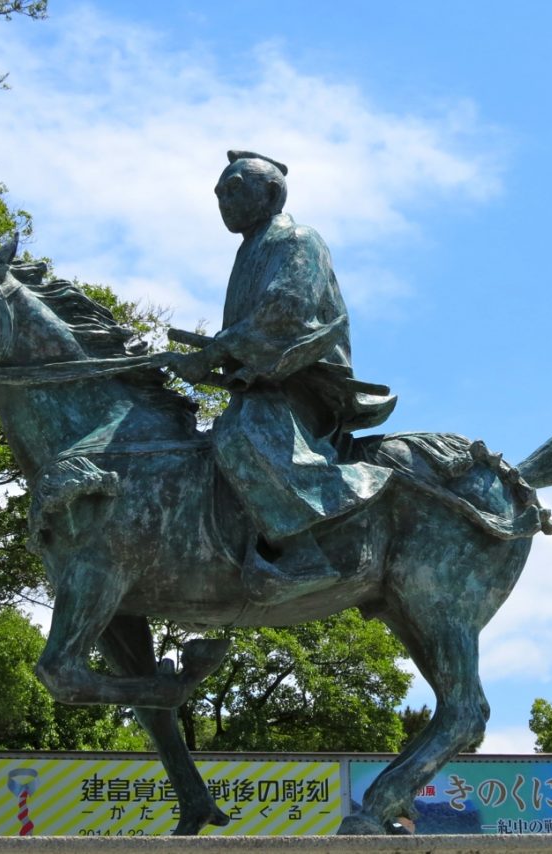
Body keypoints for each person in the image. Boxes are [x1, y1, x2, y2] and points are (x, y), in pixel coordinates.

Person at [168, 151, 396, 605]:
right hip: (264, 382)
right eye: (218, 193)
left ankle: (303, 554)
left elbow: (285, 310)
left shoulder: (297, 239)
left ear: (271, 193)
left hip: (303, 381)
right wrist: (212, 357)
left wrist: (215, 351)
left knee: (243, 433)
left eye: (234, 190)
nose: (223, 201)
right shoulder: (250, 249)